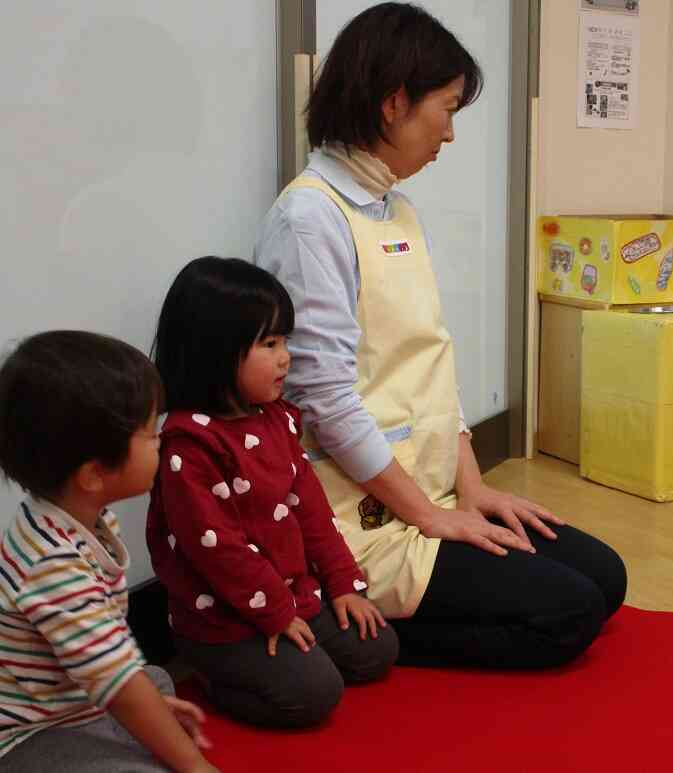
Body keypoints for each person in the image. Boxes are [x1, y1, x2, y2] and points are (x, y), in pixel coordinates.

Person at [254, 2, 626, 669]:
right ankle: (345, 620)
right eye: (446, 109)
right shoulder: (310, 217)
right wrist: (427, 515)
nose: (449, 133)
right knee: (567, 614)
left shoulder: (397, 208)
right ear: (394, 103)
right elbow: (325, 400)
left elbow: (431, 358)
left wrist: (472, 489)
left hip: (432, 488)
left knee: (605, 578)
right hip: (363, 518)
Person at [148, 257, 398, 729]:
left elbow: (312, 511)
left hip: (292, 597)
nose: (286, 356)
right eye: (269, 344)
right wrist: (278, 614)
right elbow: (220, 553)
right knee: (315, 695)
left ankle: (297, 645)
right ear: (216, 351)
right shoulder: (189, 445)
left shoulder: (276, 417)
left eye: (284, 340)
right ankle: (213, 676)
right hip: (225, 621)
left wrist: (343, 583)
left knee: (377, 649)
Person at [0, 331, 216, 772]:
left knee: (152, 680)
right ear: (95, 474)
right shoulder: (52, 564)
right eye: (152, 434)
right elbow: (117, 684)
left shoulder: (85, 517)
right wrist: (196, 767)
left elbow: (110, 660)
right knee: (139, 711)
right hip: (27, 733)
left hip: (73, 700)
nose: (162, 442)